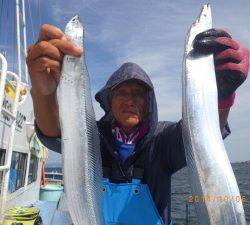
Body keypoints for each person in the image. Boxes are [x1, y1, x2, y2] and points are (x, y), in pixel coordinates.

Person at [26, 24, 249, 225]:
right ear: (109, 102)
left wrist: (221, 96)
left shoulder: (163, 140)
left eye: (138, 94)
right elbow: (54, 133)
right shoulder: (92, 137)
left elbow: (203, 138)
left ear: (149, 103)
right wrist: (43, 94)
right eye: (121, 92)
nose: (130, 100)